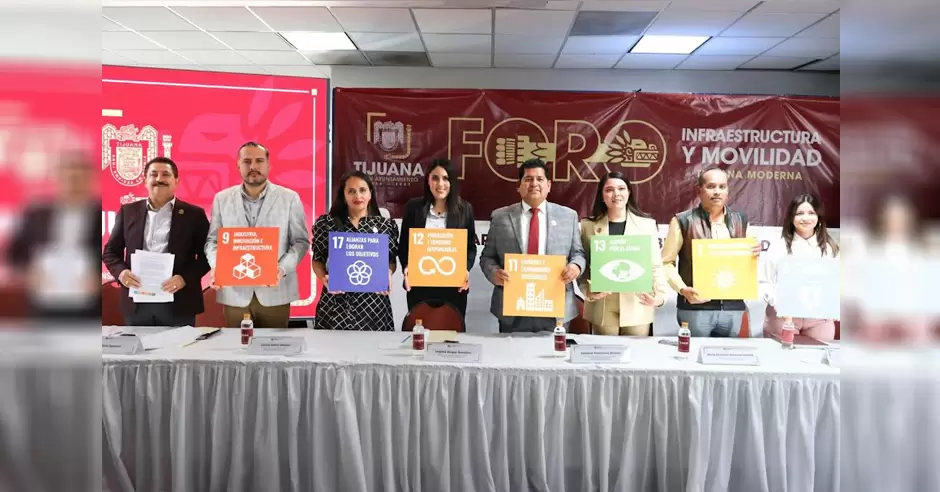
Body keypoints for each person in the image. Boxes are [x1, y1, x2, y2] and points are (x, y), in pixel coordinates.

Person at [205, 142, 310, 328]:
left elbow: (300, 242)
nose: (253, 166)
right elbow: (213, 241)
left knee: (274, 346)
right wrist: (217, 266)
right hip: (234, 293)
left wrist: (282, 269)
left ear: (269, 165)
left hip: (276, 291)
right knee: (236, 345)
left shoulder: (289, 198)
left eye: (259, 161)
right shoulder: (222, 199)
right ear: (238, 165)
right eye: (247, 161)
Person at [479, 159, 586, 333]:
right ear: (519, 186)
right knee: (511, 351)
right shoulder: (500, 217)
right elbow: (487, 257)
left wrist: (575, 267)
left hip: (554, 306)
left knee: (554, 351)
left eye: (539, 179)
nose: (534, 184)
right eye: (528, 179)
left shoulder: (568, 216)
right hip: (513, 307)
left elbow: (578, 253)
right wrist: (494, 273)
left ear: (549, 185)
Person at [102, 157, 210, 326]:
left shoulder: (194, 215)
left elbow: (207, 256)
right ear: (145, 181)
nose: (159, 179)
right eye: (154, 174)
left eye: (166, 174)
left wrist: (184, 278)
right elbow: (110, 252)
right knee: (138, 344)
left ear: (176, 181)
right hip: (137, 302)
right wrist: (121, 273)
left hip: (179, 302)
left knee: (178, 344)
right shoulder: (128, 211)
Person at [661, 166, 760, 337]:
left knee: (728, 354)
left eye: (722, 187)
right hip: (695, 308)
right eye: (711, 186)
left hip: (733, 307)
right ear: (699, 190)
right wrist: (683, 290)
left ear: (728, 190)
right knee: (693, 353)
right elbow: (665, 263)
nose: (717, 192)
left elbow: (749, 258)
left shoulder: (741, 220)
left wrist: (754, 252)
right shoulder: (683, 221)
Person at [8, 153, 100, 320]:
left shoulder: (103, 215)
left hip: (90, 303)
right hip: (44, 301)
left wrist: (101, 277)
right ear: (58, 179)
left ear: (90, 180)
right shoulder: (36, 214)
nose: (73, 184)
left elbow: (118, 253)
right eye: (69, 178)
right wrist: (28, 274)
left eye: (79, 179)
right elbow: (15, 252)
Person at [579, 172, 669, 336]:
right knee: (604, 351)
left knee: (636, 352)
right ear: (602, 196)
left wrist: (661, 297)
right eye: (609, 190)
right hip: (602, 304)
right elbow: (582, 266)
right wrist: (587, 291)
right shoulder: (587, 226)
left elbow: (655, 265)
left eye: (621, 188)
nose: (616, 194)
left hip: (637, 303)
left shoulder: (646, 225)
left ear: (629, 193)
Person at [311, 171, 399, 331]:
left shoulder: (385, 226)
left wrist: (388, 272)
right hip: (336, 305)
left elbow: (391, 261)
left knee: (375, 346)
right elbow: (317, 260)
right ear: (343, 195)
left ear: (370, 194)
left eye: (362, 190)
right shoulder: (327, 224)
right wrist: (324, 278)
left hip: (374, 305)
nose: (357, 196)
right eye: (351, 191)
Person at [398, 159, 477, 319]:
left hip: (453, 287)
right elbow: (404, 245)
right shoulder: (414, 208)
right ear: (428, 180)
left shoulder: (464, 209)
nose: (440, 184)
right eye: (435, 178)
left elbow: (470, 247)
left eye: (445, 178)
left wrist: (465, 269)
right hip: (420, 286)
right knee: (419, 330)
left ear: (452, 182)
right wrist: (406, 267)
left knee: (451, 331)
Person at [759, 193, 840, 341]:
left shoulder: (830, 249)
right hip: (784, 317)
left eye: (811, 213)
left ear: (818, 217)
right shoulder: (778, 247)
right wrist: (779, 305)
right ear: (792, 217)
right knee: (782, 355)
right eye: (800, 213)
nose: (806, 218)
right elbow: (765, 281)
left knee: (820, 355)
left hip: (819, 320)